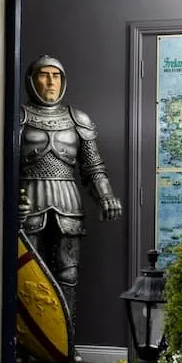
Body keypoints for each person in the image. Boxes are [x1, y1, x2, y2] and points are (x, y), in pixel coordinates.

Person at [18, 55, 121, 337]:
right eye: (44, 75)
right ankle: (29, 343)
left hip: (68, 199)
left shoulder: (78, 118)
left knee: (68, 274)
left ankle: (66, 340)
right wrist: (13, 197)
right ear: (31, 80)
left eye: (57, 76)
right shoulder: (20, 117)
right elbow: (4, 165)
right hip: (29, 200)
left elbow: (92, 166)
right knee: (29, 276)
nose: (51, 82)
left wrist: (106, 196)